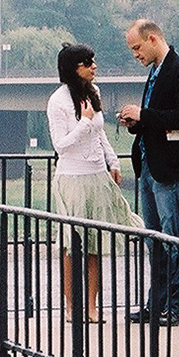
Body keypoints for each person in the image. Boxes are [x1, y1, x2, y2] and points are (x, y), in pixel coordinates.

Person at [117, 19, 179, 322]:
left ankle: (178, 308)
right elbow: (157, 121)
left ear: (152, 39)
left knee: (174, 238)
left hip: (172, 169)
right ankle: (158, 305)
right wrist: (136, 124)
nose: (135, 55)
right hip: (151, 166)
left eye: (137, 48)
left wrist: (144, 114)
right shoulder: (155, 71)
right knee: (155, 239)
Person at [47, 43, 142, 320]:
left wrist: (113, 161)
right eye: (87, 62)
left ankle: (91, 306)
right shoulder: (58, 101)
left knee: (94, 245)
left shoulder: (93, 93)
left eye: (93, 60)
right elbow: (61, 145)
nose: (93, 66)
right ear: (73, 68)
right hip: (72, 177)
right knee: (71, 244)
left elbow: (99, 135)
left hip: (97, 174)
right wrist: (84, 122)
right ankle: (70, 306)